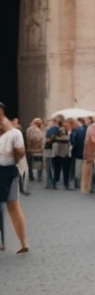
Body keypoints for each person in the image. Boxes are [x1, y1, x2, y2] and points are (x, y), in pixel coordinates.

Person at [0, 106, 30, 254]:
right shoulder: (14, 133)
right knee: (13, 206)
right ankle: (18, 242)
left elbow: (21, 152)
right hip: (8, 170)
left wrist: (15, 153)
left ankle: (23, 242)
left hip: (8, 171)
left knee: (13, 206)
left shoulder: (14, 133)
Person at [25, 118, 44, 184]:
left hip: (34, 150)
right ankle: (36, 176)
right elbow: (31, 139)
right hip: (35, 149)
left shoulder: (38, 129)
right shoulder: (33, 129)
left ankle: (34, 176)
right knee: (35, 163)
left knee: (34, 163)